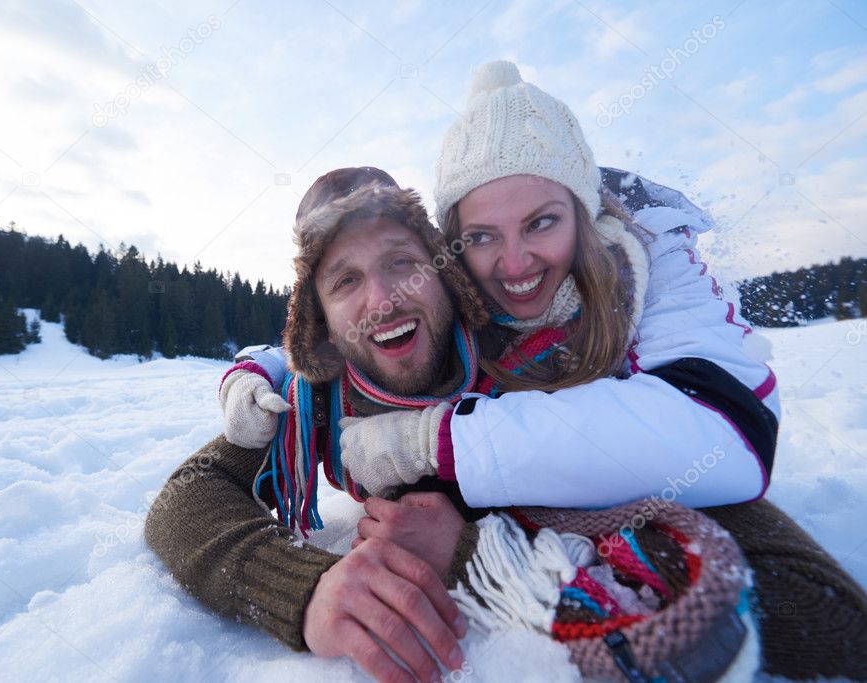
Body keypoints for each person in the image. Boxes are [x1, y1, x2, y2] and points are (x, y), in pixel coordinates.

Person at [215, 61, 867, 679]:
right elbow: (333, 350)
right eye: (480, 236)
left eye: (542, 222)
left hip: (644, 477)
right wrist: (264, 369)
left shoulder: (649, 267)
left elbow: (729, 438)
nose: (514, 263)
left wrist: (446, 464)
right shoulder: (429, 313)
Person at [147, 167, 492, 683]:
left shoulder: (520, 366)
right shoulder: (317, 403)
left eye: (402, 262)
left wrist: (474, 552)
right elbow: (186, 498)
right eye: (345, 280)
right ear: (322, 318)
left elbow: (635, 509)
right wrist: (305, 587)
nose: (382, 301)